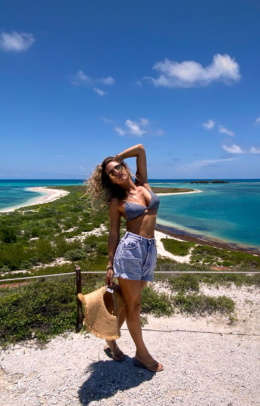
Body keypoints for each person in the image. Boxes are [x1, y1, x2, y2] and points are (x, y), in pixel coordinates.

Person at [85, 143, 163, 372]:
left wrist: (115, 158)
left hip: (149, 250)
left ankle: (110, 337)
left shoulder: (143, 184)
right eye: (112, 172)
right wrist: (110, 265)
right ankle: (142, 354)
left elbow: (140, 149)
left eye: (119, 167)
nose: (117, 171)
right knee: (135, 305)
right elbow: (113, 233)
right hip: (130, 251)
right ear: (110, 180)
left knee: (131, 303)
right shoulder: (117, 202)